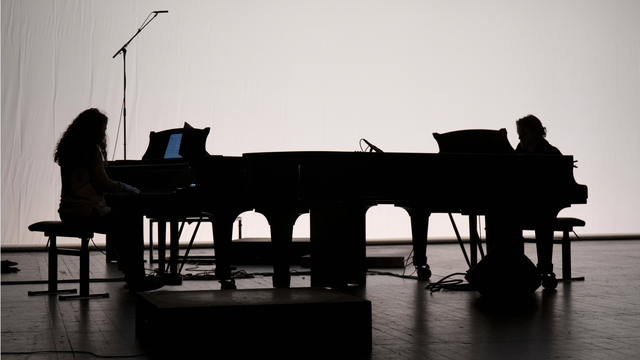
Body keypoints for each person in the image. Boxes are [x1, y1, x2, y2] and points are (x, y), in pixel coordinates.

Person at [54, 108, 162, 292]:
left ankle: (131, 273)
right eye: (103, 129)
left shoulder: (69, 148)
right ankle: (136, 279)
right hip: (87, 211)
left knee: (122, 222)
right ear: (94, 129)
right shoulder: (90, 150)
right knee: (131, 224)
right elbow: (102, 182)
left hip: (68, 212)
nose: (104, 134)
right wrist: (126, 187)